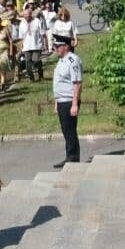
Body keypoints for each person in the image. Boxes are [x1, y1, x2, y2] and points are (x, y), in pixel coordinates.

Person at [52, 36, 82, 166]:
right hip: (62, 101)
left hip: (69, 101)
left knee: (70, 131)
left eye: (58, 46)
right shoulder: (61, 60)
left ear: (66, 46)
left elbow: (77, 83)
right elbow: (59, 83)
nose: (55, 49)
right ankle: (69, 156)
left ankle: (73, 158)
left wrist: (74, 104)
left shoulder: (73, 60)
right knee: (65, 130)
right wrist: (57, 101)